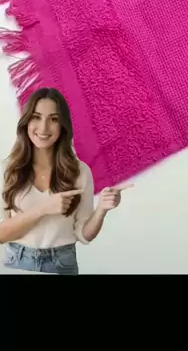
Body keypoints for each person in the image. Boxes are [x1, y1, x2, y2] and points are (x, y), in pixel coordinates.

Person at [0, 87, 132, 275]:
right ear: (26, 121)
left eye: (53, 119)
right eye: (36, 117)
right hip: (16, 262)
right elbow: (2, 234)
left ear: (63, 126)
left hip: (62, 263)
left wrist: (102, 209)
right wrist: (44, 208)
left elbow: (84, 235)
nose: (43, 128)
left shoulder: (80, 172)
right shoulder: (8, 170)